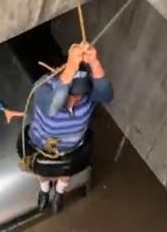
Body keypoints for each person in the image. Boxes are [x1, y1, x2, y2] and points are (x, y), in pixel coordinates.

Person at [28, 43, 113, 213]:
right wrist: (72, 66)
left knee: (66, 169)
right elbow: (52, 106)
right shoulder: (43, 88)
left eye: (79, 95)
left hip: (71, 148)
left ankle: (59, 193)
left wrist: (94, 63)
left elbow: (106, 95)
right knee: (43, 169)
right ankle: (44, 191)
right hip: (43, 146)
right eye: (71, 95)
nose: (75, 100)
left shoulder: (87, 95)